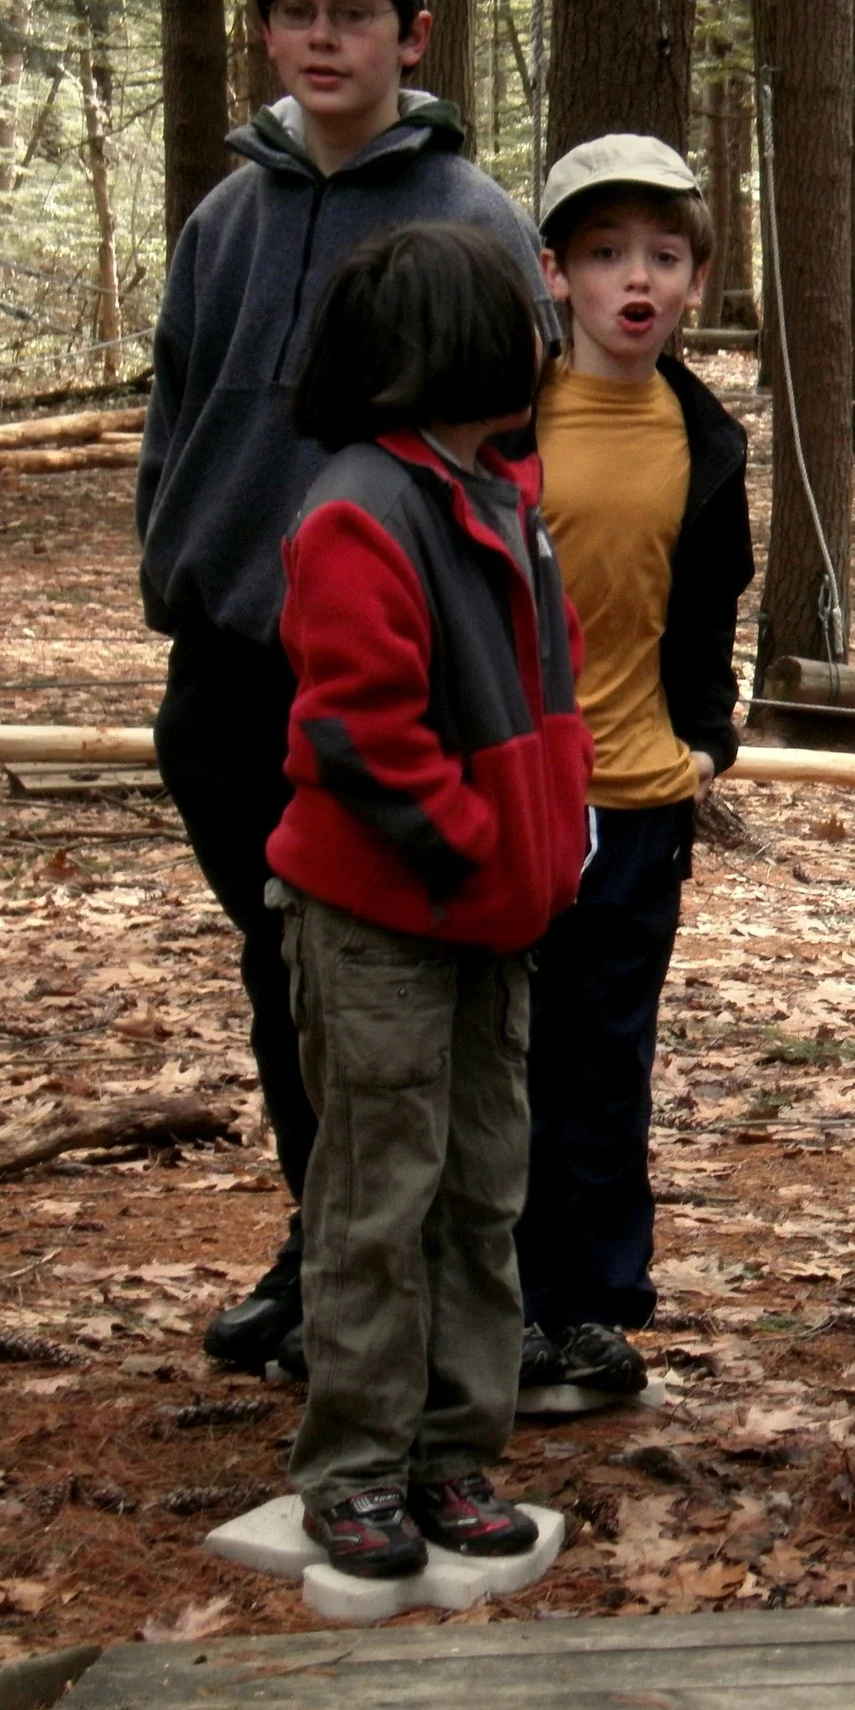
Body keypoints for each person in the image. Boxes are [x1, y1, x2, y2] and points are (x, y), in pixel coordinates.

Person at [136, 0, 556, 1378]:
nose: (325, 37)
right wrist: (174, 568)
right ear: (266, 33)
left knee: (409, 992)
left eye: (356, 12)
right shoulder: (227, 217)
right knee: (289, 975)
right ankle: (322, 1251)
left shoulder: (472, 218)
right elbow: (176, 409)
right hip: (236, 667)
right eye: (298, 11)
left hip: (404, 686)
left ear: (412, 35)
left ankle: (429, 1283)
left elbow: (518, 450)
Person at [266, 223, 590, 1577]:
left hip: (492, 921)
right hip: (385, 925)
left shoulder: (501, 492)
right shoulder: (361, 506)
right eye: (518, 317)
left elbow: (553, 689)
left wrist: (554, 838)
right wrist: (473, 843)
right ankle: (354, 1468)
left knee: (479, 1191)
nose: (540, 337)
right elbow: (359, 729)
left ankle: (453, 1450)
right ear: (448, 344)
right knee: (377, 1197)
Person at [513, 135, 752, 1399]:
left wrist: (706, 742)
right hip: (515, 797)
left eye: (663, 255)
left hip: (642, 802)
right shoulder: (503, 416)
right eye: (606, 253)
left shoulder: (705, 439)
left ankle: (595, 1306)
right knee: (509, 1055)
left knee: (605, 1061)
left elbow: (704, 608)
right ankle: (501, 1298)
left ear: (697, 281)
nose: (636, 279)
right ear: (556, 272)